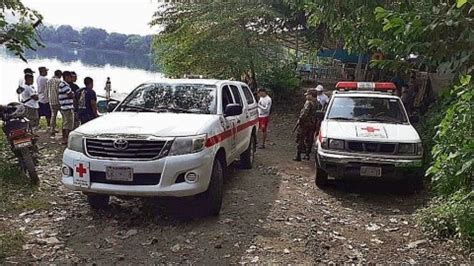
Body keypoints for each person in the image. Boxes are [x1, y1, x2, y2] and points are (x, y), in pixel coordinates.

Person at [294, 89, 320, 161]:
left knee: (300, 138)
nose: (306, 96)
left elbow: (304, 114)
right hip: (313, 123)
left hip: (305, 123)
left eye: (308, 95)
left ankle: (298, 155)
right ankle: (307, 154)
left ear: (311, 95)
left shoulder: (309, 103)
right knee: (310, 139)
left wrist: (300, 120)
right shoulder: (318, 103)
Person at [58, 71, 75, 144]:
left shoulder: (64, 84)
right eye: (70, 77)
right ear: (67, 77)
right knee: (68, 124)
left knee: (65, 123)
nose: (72, 79)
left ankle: (65, 138)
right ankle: (66, 139)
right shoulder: (64, 85)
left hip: (65, 107)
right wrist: (73, 94)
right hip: (67, 107)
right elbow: (70, 94)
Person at [46, 70, 62, 136]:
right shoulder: (59, 81)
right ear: (60, 75)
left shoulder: (48, 81)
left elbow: (46, 90)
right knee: (64, 115)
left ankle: (52, 129)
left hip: (51, 101)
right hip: (58, 100)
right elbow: (60, 91)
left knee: (53, 115)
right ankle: (64, 130)